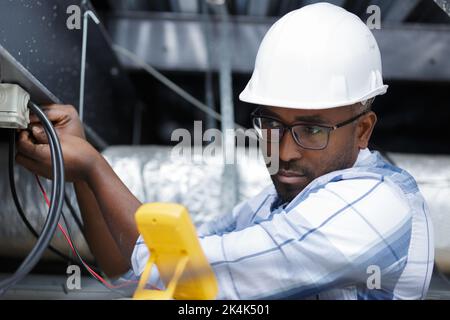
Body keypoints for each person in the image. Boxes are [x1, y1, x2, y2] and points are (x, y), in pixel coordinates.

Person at [16, 3, 433, 299]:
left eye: (311, 129)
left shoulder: (375, 205)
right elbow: (130, 268)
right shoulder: (270, 209)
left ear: (362, 130)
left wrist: (95, 165)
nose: (284, 152)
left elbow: (174, 271)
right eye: (271, 124)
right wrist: (87, 171)